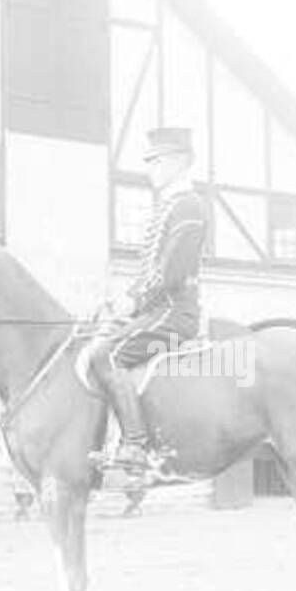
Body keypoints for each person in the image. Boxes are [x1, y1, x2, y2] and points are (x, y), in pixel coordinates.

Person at [86, 127, 208, 486]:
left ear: (181, 162)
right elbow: (152, 271)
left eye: (157, 161)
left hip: (174, 312)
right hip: (156, 310)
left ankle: (135, 444)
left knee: (105, 354)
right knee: (97, 339)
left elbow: (170, 274)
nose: (150, 168)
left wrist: (133, 302)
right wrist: (118, 302)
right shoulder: (169, 205)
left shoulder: (188, 206)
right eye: (150, 161)